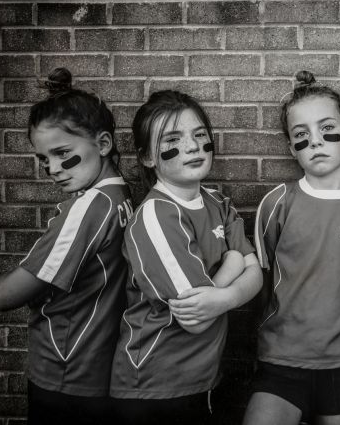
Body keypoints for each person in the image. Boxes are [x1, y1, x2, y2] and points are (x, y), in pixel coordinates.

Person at [242, 71, 340, 425]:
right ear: (291, 147)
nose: (316, 142)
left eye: (327, 129)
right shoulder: (277, 203)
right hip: (281, 361)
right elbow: (260, 283)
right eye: (301, 135)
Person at [108, 90, 262, 424]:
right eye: (173, 139)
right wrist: (233, 264)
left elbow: (257, 274)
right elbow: (196, 319)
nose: (192, 146)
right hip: (155, 387)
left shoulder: (218, 202)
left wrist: (228, 292)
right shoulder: (156, 216)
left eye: (199, 135)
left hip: (201, 380)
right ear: (148, 157)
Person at [0, 67, 133, 424]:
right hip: (98, 367)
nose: (53, 168)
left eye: (62, 153)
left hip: (65, 370)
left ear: (103, 144)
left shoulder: (86, 208)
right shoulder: (122, 193)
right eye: (43, 159)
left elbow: (4, 297)